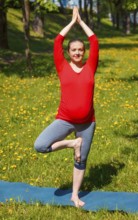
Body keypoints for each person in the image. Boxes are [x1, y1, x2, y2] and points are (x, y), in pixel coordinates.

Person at [34, 7, 99, 208]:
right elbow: (57, 42)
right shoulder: (62, 66)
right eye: (74, 50)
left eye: (81, 49)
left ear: (84, 52)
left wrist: (81, 23)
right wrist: (71, 22)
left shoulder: (90, 67)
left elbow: (94, 40)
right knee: (40, 146)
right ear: (69, 52)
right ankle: (72, 144)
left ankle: (75, 195)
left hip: (87, 124)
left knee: (81, 161)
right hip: (64, 120)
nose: (78, 52)